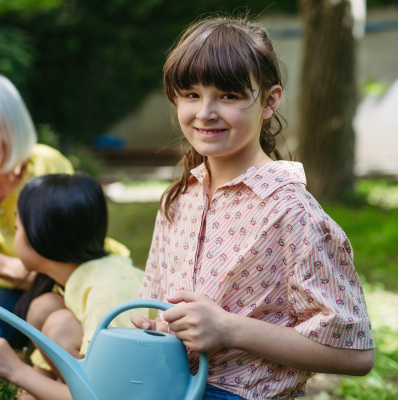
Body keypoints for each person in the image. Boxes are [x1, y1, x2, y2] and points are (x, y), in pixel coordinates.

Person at [129, 16, 376, 400]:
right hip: (168, 384)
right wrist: (157, 331)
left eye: (228, 96)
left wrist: (228, 329)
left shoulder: (294, 214)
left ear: (269, 101)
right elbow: (158, 305)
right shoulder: (179, 199)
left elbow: (356, 354)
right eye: (191, 94)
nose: (206, 112)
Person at [0, 74, 127, 351]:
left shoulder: (46, 166)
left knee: (63, 326)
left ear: (13, 130)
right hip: (17, 285)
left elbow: (70, 264)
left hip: (70, 279)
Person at [0, 173, 151, 400]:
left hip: (133, 393)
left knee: (59, 324)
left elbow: (107, 395)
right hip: (103, 387)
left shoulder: (107, 291)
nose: (15, 236)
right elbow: (43, 375)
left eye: (17, 227)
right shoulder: (70, 283)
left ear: (40, 235)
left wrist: (16, 370)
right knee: (45, 307)